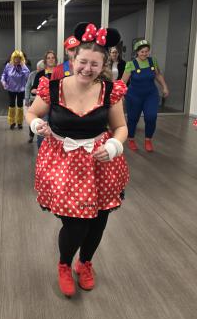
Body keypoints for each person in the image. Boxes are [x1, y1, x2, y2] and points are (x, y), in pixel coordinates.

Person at [26, 23, 129, 298]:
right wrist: (36, 125)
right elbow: (31, 113)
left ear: (103, 65)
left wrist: (114, 145)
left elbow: (121, 127)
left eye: (94, 64)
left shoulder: (110, 91)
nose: (87, 68)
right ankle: (64, 264)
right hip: (63, 164)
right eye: (83, 61)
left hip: (100, 165)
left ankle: (85, 263)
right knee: (76, 224)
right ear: (73, 60)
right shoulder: (53, 87)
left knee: (98, 221)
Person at [121, 39, 169, 152]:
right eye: (142, 51)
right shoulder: (130, 64)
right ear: (137, 52)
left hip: (151, 95)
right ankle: (131, 139)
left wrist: (164, 87)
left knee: (151, 117)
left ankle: (148, 140)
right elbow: (123, 82)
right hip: (134, 96)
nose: (144, 53)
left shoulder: (153, 61)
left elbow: (158, 75)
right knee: (133, 119)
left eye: (146, 51)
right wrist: (120, 95)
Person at [31, 50, 58, 148]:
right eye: (48, 58)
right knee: (42, 130)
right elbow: (33, 90)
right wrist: (42, 90)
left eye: (53, 58)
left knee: (58, 131)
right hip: (43, 106)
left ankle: (55, 153)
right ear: (45, 60)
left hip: (58, 107)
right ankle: (42, 153)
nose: (51, 60)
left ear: (55, 60)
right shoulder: (40, 74)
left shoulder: (61, 73)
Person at [0, 50, 30, 129]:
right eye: (15, 58)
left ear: (21, 58)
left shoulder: (23, 67)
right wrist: (3, 82)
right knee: (12, 105)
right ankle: (12, 122)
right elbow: (4, 75)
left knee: (20, 106)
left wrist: (23, 65)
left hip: (21, 89)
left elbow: (27, 75)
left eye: (19, 58)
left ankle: (20, 122)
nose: (17, 59)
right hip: (11, 89)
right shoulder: (8, 66)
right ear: (13, 58)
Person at [25, 60, 44, 143]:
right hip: (33, 99)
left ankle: (42, 137)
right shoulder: (32, 74)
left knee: (43, 120)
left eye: (41, 69)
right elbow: (27, 87)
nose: (39, 71)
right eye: (38, 69)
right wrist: (27, 99)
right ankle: (31, 135)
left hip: (44, 100)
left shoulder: (47, 74)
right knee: (33, 118)